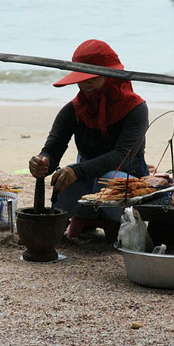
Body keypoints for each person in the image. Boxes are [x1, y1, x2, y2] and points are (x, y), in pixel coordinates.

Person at [28, 39, 149, 242]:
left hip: (125, 178)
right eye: (81, 78)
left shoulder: (135, 108)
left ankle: (125, 225)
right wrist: (43, 162)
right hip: (84, 184)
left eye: (92, 77)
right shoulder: (73, 109)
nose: (85, 83)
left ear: (110, 75)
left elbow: (121, 155)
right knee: (62, 181)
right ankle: (74, 220)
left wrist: (77, 171)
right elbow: (52, 148)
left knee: (110, 178)